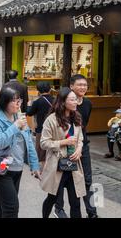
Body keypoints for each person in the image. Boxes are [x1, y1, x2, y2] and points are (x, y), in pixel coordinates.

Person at [0, 86, 40, 218]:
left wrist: (35, 165)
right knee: (11, 207)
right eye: (14, 101)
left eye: (19, 100)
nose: (18, 104)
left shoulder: (19, 116)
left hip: (17, 167)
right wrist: (15, 126)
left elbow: (28, 142)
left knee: (4, 203)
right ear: (4, 101)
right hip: (0, 169)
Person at [55, 74, 98, 218]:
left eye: (85, 85)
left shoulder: (87, 104)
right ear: (71, 86)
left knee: (87, 179)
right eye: (79, 84)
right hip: (64, 145)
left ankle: (92, 213)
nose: (83, 87)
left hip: (82, 145)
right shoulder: (64, 103)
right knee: (61, 178)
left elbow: (84, 127)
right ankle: (59, 208)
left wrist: (80, 146)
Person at [40, 87, 86, 219]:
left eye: (76, 99)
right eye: (72, 99)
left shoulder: (76, 117)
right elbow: (44, 143)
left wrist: (79, 149)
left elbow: (80, 138)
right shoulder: (51, 120)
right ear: (63, 102)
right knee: (52, 198)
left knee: (75, 202)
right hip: (57, 165)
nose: (76, 102)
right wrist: (63, 142)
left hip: (73, 165)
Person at [27, 81, 54, 169]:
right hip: (54, 128)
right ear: (50, 89)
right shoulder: (55, 100)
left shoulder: (37, 102)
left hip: (41, 129)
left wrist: (29, 105)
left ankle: (43, 169)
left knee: (41, 149)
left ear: (38, 90)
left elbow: (29, 113)